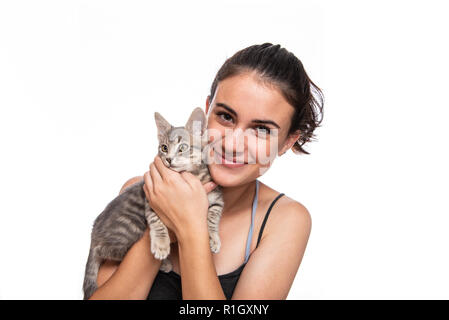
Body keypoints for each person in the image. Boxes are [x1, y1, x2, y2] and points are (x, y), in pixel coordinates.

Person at [88, 43, 324, 300]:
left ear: (288, 141)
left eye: (262, 129)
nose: (232, 144)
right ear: (207, 111)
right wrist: (160, 225)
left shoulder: (284, 220)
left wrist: (191, 228)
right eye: (225, 116)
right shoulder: (143, 190)